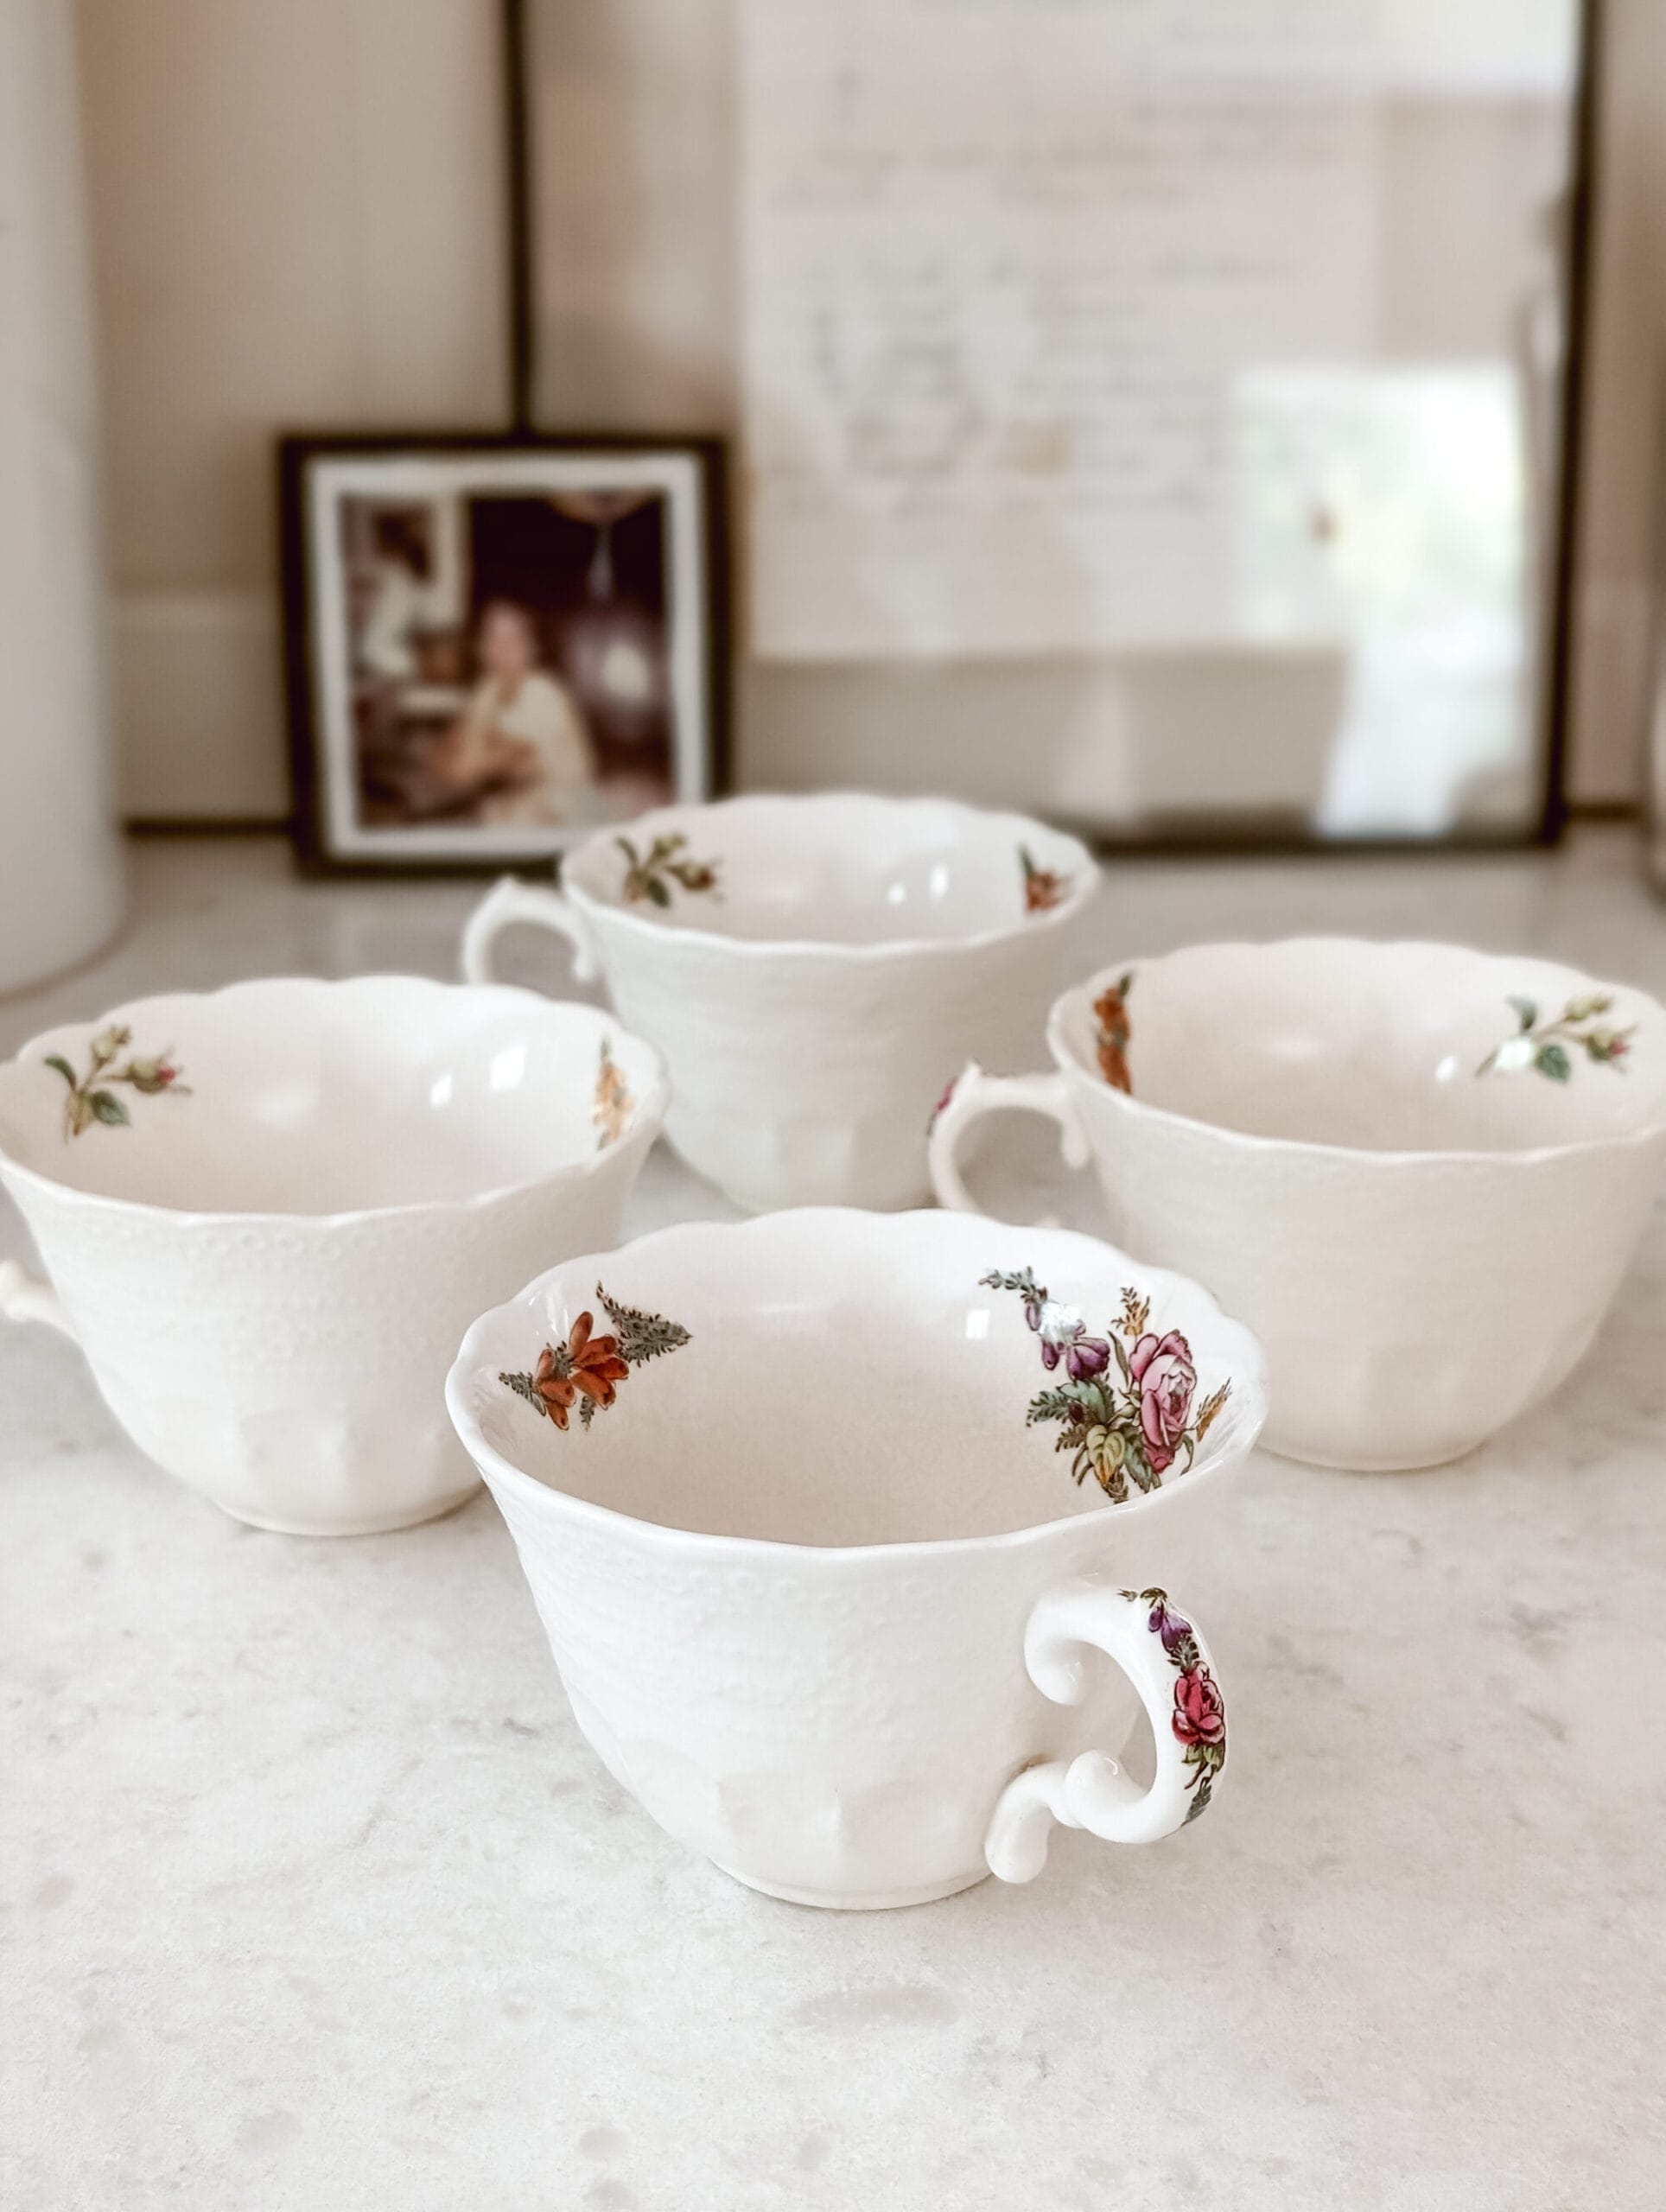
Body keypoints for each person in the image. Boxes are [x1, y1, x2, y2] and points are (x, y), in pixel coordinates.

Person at [431, 599, 595, 824]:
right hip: (515, 811)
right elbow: (444, 762)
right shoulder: (488, 690)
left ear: (532, 648)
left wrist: (474, 743)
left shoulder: (542, 695)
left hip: (561, 819)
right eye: (492, 639)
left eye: (512, 640)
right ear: (480, 647)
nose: (501, 651)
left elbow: (466, 770)